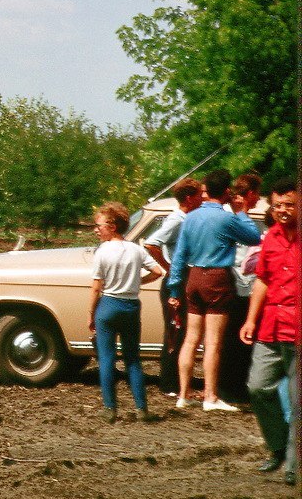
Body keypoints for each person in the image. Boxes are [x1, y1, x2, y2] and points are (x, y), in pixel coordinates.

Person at [167, 169, 262, 411]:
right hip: (217, 277)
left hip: (194, 276)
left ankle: (183, 393)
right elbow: (253, 237)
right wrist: (240, 212)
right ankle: (210, 396)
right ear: (227, 191)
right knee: (213, 342)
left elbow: (179, 257)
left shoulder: (191, 218)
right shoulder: (227, 218)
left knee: (190, 339)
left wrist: (174, 289)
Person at [239, 178, 297, 486]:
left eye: (289, 204)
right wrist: (250, 320)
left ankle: (294, 465)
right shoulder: (270, 238)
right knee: (257, 387)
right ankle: (277, 448)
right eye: (278, 205)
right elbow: (262, 280)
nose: (283, 211)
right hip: (271, 327)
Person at [90, 202, 164, 422]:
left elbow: (96, 286)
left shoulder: (103, 251)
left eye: (99, 225)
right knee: (133, 359)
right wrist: (138, 282)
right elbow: (159, 271)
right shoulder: (136, 249)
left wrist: (90, 313)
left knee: (106, 359)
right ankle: (142, 409)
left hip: (109, 304)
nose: (96, 229)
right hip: (131, 306)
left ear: (112, 226)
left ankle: (110, 409)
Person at [144, 178, 204, 395]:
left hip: (183, 279)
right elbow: (151, 243)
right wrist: (168, 267)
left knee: (183, 330)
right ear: (189, 198)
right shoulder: (177, 220)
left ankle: (176, 382)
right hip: (174, 283)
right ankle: (169, 384)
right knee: (174, 331)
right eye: (199, 194)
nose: (203, 198)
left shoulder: (187, 219)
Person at [219, 173, 262, 403]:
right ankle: (230, 388)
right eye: (257, 194)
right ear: (251, 193)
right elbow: (252, 240)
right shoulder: (235, 217)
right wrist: (242, 212)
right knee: (233, 340)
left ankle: (236, 385)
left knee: (239, 340)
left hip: (243, 284)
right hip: (235, 283)